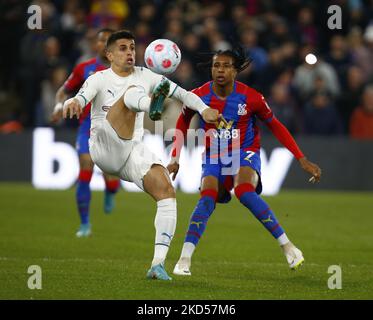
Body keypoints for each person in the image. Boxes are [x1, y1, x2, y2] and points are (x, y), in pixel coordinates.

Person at [62, 30, 220, 280]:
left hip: (131, 150)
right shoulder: (98, 79)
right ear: (109, 54)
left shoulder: (146, 75)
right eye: (123, 48)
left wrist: (204, 108)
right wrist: (73, 102)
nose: (129, 53)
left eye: (132, 47)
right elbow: (81, 97)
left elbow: (182, 94)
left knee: (167, 191)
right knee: (130, 95)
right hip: (103, 146)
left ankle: (158, 265)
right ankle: (151, 107)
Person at [167, 47, 322, 276]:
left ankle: (288, 247)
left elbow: (276, 126)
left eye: (226, 66)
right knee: (207, 196)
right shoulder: (197, 95)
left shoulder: (252, 97)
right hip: (214, 155)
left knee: (244, 190)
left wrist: (301, 158)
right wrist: (175, 158)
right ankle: (184, 259)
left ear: (236, 71)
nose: (220, 70)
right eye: (216, 65)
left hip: (245, 152)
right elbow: (182, 122)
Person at [51, 28, 121, 238]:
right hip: (87, 127)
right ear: (96, 44)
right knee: (85, 168)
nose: (103, 44)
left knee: (111, 176)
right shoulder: (85, 68)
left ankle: (110, 191)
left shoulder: (125, 70)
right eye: (101, 40)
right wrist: (58, 105)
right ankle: (84, 224)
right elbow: (64, 90)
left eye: (109, 41)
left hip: (115, 129)